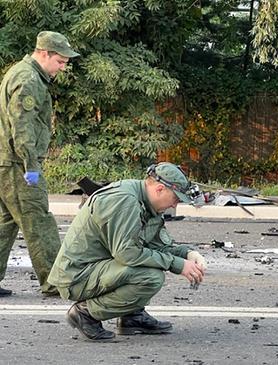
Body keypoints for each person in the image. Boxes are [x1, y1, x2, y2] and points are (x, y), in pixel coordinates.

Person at [47, 163, 208, 341]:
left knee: (149, 264)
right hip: (76, 276)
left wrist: (188, 255)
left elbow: (156, 246)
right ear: (160, 189)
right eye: (176, 198)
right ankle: (85, 313)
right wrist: (176, 264)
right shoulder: (125, 201)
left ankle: (132, 317)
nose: (175, 204)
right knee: (150, 277)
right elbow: (127, 253)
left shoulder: (147, 202)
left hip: (97, 268)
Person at [0, 31, 80, 297]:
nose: (63, 67)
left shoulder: (22, 73)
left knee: (6, 222)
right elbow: (21, 128)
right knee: (39, 221)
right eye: (60, 61)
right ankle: (55, 281)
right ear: (44, 54)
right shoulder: (28, 79)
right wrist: (31, 167)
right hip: (18, 165)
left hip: (6, 163)